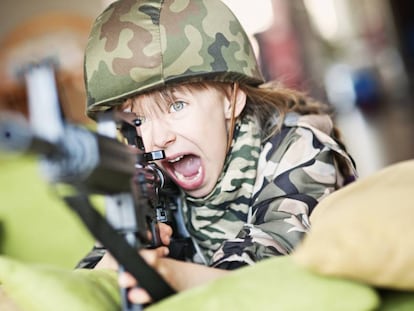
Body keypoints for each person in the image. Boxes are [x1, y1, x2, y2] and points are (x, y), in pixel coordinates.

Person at [77, 0, 357, 305]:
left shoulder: (297, 149)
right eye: (138, 120)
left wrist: (174, 276)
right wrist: (108, 271)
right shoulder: (150, 178)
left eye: (177, 106)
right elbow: (87, 276)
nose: (158, 138)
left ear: (231, 99)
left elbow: (272, 262)